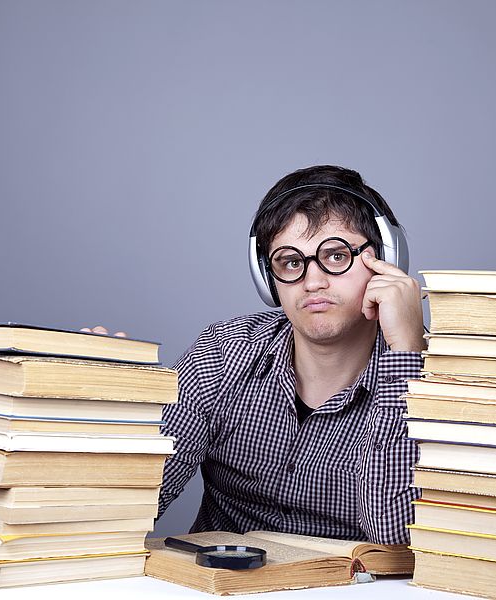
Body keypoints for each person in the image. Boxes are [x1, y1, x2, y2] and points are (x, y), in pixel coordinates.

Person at [86, 165, 425, 544]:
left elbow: (397, 533)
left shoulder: (443, 379)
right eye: (291, 262)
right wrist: (103, 417)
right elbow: (118, 513)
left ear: (387, 259)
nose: (313, 282)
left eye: (335, 256)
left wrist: (407, 355)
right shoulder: (223, 354)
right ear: (267, 276)